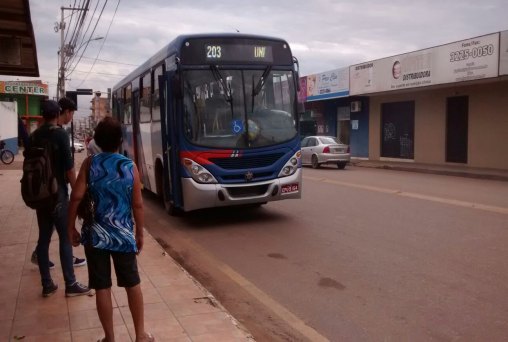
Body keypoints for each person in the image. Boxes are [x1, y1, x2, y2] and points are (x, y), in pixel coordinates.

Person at [68, 117, 154, 342]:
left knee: (102, 286)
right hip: (123, 237)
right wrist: (139, 233)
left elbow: (76, 196)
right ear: (119, 140)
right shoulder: (129, 166)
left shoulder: (90, 163)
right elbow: (137, 204)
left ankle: (109, 338)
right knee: (132, 283)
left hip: (95, 236)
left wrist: (70, 228)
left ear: (97, 139)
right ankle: (140, 336)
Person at [29, 99, 93, 297]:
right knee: (65, 238)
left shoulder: (34, 136)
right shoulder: (60, 135)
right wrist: (78, 193)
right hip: (58, 196)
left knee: (43, 239)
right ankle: (71, 284)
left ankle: (47, 283)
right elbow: (69, 170)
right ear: (57, 114)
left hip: (41, 197)